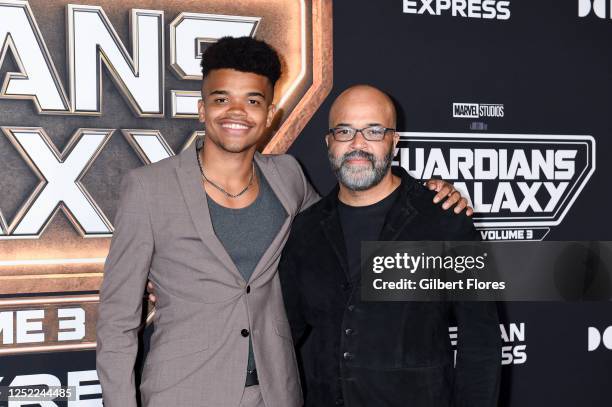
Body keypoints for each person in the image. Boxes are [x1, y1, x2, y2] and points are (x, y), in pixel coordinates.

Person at [98, 36, 471, 407]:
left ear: (270, 114)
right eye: (222, 99)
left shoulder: (288, 177)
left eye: (253, 101)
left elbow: (344, 221)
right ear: (201, 108)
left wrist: (426, 195)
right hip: (183, 391)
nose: (237, 112)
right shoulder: (148, 189)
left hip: (278, 391)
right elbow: (117, 323)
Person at [278, 85, 501, 407]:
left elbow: (481, 341)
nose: (357, 144)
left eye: (373, 131)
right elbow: (287, 336)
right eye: (345, 131)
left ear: (394, 141)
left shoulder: (445, 220)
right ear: (329, 142)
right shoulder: (305, 229)